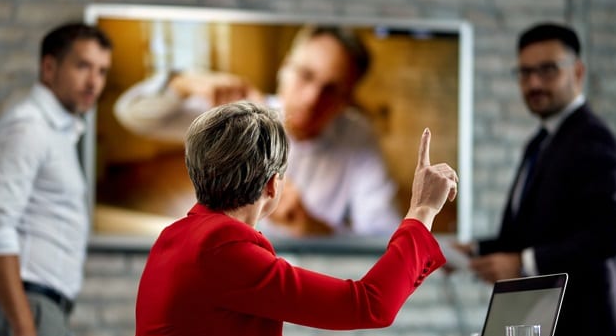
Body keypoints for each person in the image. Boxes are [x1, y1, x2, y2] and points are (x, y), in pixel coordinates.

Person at [133, 101, 458, 336]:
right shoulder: (221, 248)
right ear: (273, 184)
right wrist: (423, 210)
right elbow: (370, 304)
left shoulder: (176, 237)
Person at [113, 26, 401, 237]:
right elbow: (132, 115)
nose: (312, 99)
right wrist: (184, 82)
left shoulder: (359, 138)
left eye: (332, 89)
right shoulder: (240, 115)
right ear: (284, 68)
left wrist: (312, 228)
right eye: (306, 75)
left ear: (346, 99)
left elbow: (382, 237)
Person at [455, 23, 616, 336]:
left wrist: (522, 263)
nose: (534, 83)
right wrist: (473, 251)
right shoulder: (541, 142)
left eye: (547, 70)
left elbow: (611, 234)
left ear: (577, 72)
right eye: (525, 73)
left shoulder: (593, 140)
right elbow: (530, 235)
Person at [0, 22, 112, 336]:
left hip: (44, 312)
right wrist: (25, 329)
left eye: (102, 71)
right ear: (49, 67)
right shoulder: (27, 127)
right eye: (82, 66)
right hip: (21, 310)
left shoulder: (58, 133)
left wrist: (58, 330)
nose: (94, 82)